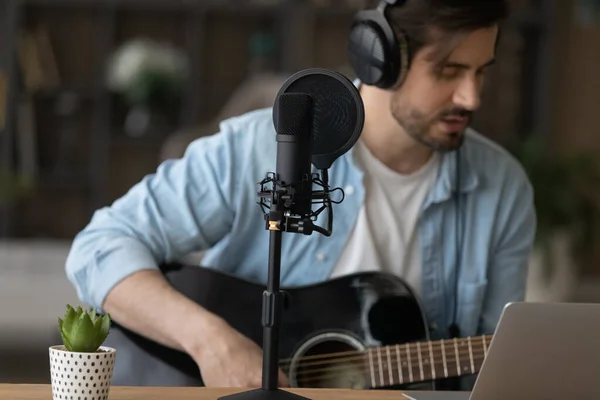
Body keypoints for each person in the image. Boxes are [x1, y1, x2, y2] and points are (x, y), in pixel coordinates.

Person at [65, 0, 536, 391]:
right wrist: (210, 340)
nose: (470, 98)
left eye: (481, 72)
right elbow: (100, 245)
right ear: (381, 60)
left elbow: (499, 366)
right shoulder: (258, 147)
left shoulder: (503, 188)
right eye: (449, 71)